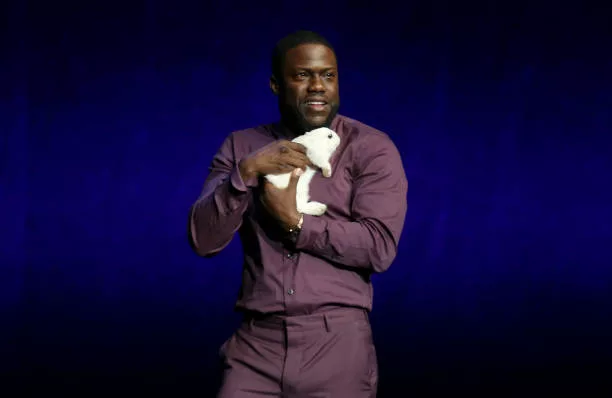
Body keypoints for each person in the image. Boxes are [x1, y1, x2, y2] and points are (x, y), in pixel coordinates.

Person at [188, 30, 408, 398]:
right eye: (303, 75)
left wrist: (297, 223)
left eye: (328, 75)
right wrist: (244, 174)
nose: (318, 85)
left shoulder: (370, 148)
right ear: (276, 84)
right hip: (258, 343)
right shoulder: (242, 146)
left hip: (336, 344)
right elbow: (202, 240)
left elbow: (379, 248)